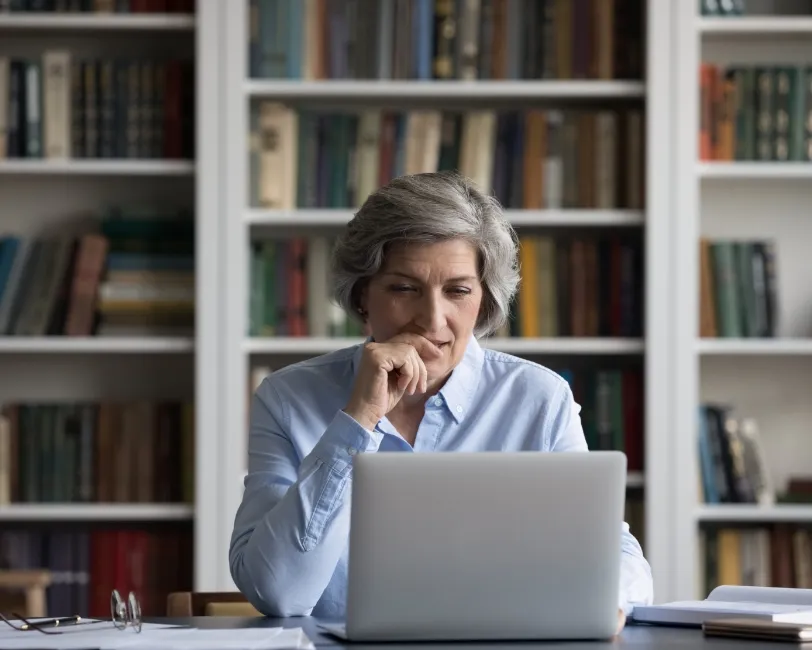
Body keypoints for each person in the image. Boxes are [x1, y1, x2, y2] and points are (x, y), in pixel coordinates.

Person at [229, 170, 653, 632]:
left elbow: (617, 555)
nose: (433, 319)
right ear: (362, 296)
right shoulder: (287, 398)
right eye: (404, 288)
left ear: (484, 300)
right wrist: (359, 419)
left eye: (458, 290)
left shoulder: (539, 400)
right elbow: (280, 593)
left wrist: (603, 599)